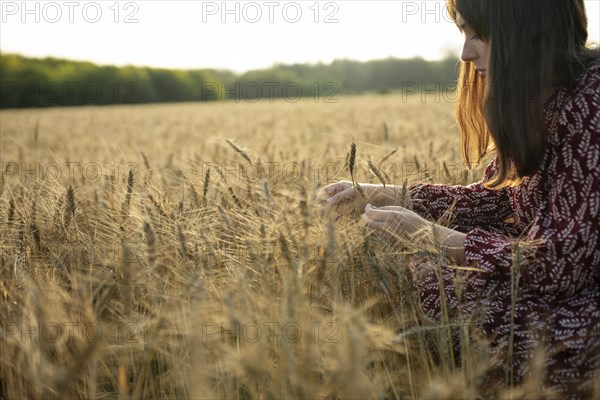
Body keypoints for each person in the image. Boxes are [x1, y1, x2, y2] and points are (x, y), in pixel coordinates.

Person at [317, 0, 600, 397]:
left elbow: (561, 264)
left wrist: (440, 239)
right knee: (437, 267)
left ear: (524, 28)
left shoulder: (590, 104)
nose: (466, 53)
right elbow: (504, 200)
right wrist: (394, 194)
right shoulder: (544, 95)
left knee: (449, 282)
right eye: (463, 34)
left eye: (478, 34)